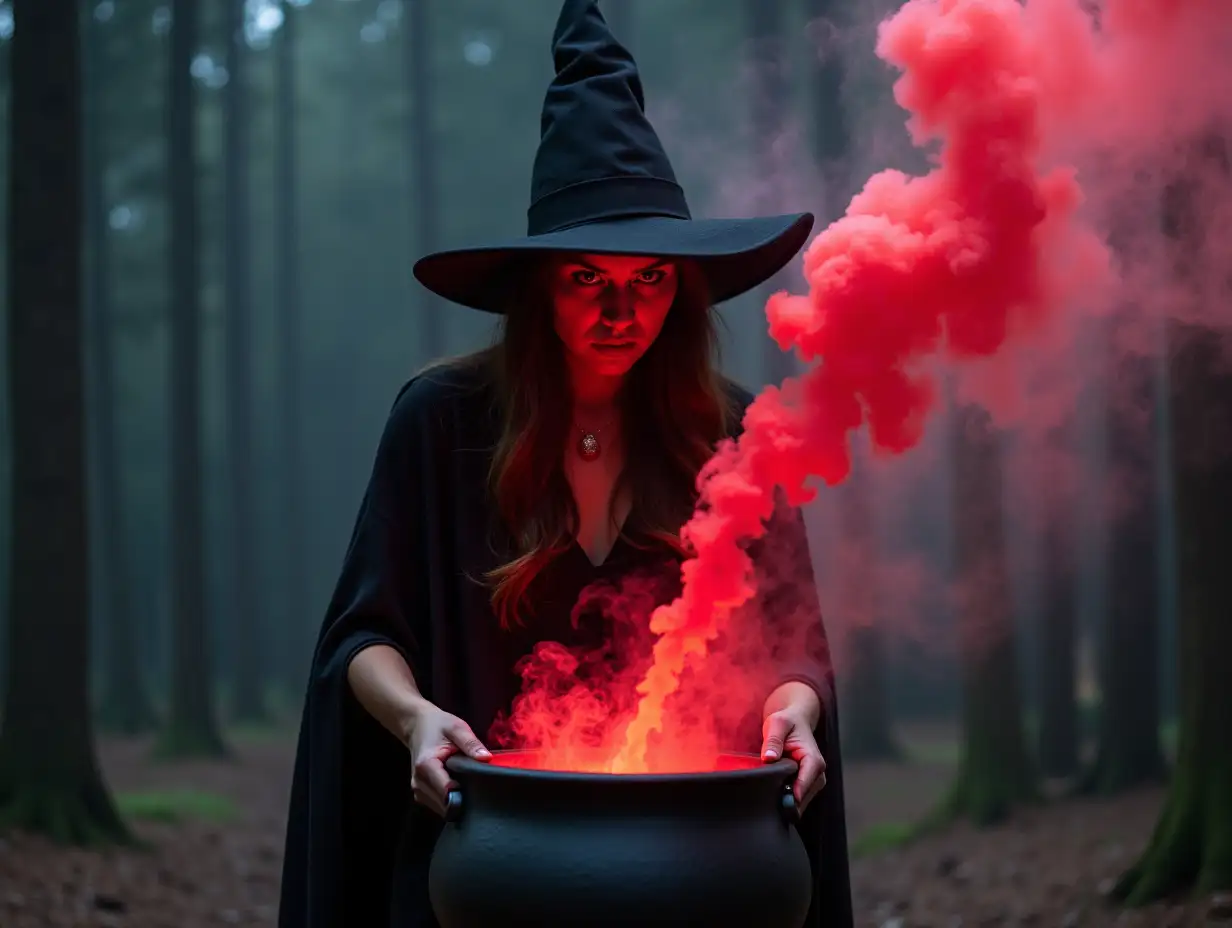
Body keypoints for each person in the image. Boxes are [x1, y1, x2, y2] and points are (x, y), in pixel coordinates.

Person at [277, 1, 854, 926]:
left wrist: (795, 712)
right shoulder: (442, 423)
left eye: (650, 278)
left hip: (692, 867)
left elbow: (794, 647)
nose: (622, 310)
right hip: (488, 864)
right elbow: (364, 633)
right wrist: (416, 720)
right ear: (539, 284)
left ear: (686, 288)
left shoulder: (737, 435)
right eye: (589, 276)